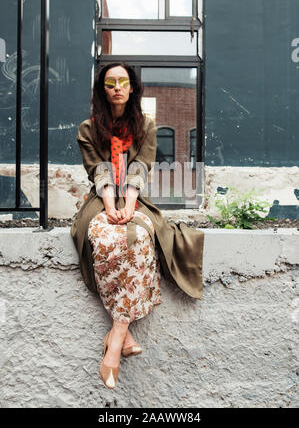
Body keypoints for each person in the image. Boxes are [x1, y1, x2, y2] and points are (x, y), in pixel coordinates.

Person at [71, 62, 205, 390]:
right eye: (110, 82)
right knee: (102, 236)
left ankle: (115, 340)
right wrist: (110, 207)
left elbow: (140, 168)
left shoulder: (147, 125)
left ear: (132, 88)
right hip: (99, 201)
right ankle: (123, 334)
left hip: (134, 200)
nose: (117, 87)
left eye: (123, 82)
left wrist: (128, 206)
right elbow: (99, 170)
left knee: (140, 236)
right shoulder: (88, 129)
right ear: (102, 89)